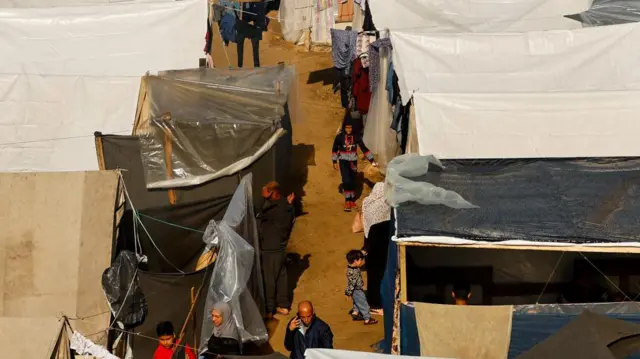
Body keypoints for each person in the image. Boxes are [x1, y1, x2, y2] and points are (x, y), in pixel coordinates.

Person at [258, 181, 296, 317]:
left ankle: (269, 309)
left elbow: (261, 215)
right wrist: (289, 203)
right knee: (281, 277)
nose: (265, 199)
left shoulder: (271, 210)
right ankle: (284, 305)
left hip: (270, 250)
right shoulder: (288, 208)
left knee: (269, 280)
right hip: (281, 248)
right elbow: (288, 211)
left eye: (267, 196)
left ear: (274, 193)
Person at [332, 115, 377, 212]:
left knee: (352, 180)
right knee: (346, 180)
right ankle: (347, 201)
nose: (349, 129)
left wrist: (372, 160)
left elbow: (364, 149)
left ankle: (352, 200)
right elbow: (334, 149)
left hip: (353, 162)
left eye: (350, 127)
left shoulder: (356, 137)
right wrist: (334, 161)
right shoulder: (339, 137)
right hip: (343, 161)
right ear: (344, 127)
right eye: (347, 127)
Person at [345, 250, 378, 325]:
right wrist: (348, 293)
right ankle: (367, 319)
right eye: (361, 260)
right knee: (363, 303)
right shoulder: (354, 272)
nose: (362, 261)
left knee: (357, 302)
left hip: (355, 290)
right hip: (357, 290)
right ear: (356, 261)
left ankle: (355, 312)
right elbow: (352, 284)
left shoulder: (350, 268)